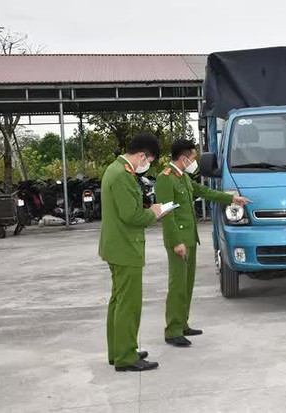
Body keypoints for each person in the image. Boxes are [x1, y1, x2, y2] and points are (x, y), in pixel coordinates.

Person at [155, 140, 252, 347]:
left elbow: (203, 191)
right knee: (177, 286)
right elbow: (167, 214)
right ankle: (172, 330)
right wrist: (176, 242)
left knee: (187, 285)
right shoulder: (166, 180)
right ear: (183, 159)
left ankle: (182, 324)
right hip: (179, 241)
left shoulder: (183, 178)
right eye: (192, 158)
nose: (194, 162)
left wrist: (231, 199)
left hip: (190, 239)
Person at [99, 133, 164, 372]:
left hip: (116, 246)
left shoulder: (113, 170)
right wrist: (155, 212)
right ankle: (126, 356)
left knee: (118, 301)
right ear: (141, 155)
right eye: (148, 161)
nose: (146, 166)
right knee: (128, 303)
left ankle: (118, 350)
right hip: (126, 247)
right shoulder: (123, 176)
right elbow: (132, 215)